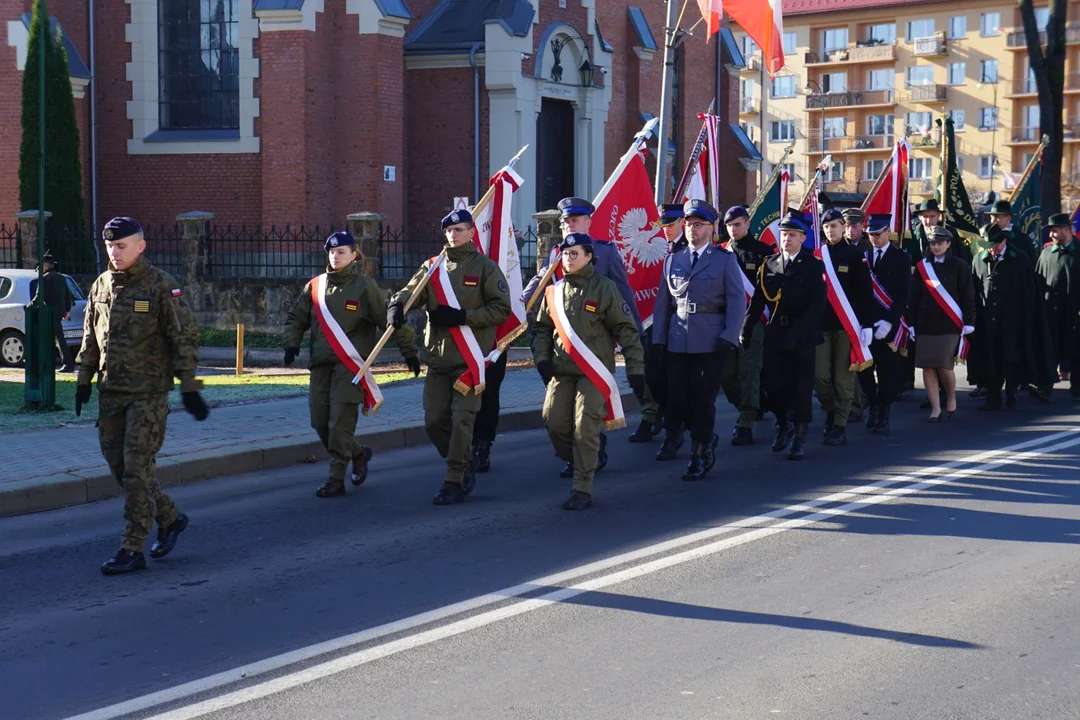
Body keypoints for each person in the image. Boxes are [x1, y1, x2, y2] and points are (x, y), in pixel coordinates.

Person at [74, 217, 209, 575]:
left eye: (122, 246)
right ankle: (170, 518)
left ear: (141, 246)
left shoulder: (161, 286)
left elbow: (183, 338)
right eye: (110, 247)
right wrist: (83, 379)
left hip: (147, 394)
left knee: (136, 470)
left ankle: (131, 548)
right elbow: (91, 337)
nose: (115, 253)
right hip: (111, 392)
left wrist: (190, 385)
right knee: (121, 469)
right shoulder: (101, 285)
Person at [283, 231, 420, 498]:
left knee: (339, 425)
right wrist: (291, 343)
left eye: (342, 252)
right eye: (332, 252)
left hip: (350, 367)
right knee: (319, 422)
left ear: (354, 255)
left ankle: (336, 479)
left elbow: (391, 322)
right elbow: (296, 318)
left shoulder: (365, 287)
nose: (335, 256)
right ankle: (358, 453)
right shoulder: (315, 286)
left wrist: (410, 352)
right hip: (320, 365)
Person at [389, 209, 511, 505]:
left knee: (462, 421)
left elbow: (501, 309)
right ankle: (462, 459)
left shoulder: (485, 268)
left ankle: (454, 479)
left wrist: (462, 316)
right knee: (434, 420)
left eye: (460, 229)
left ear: (472, 232)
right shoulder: (432, 267)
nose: (453, 235)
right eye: (449, 230)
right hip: (438, 361)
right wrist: (397, 305)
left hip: (469, 362)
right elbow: (411, 291)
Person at [523, 197, 643, 474]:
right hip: (560, 342)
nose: (568, 225)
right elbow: (540, 281)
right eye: (565, 221)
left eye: (574, 220)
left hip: (592, 344)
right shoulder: (557, 253)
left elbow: (623, 294)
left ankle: (588, 454)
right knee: (557, 412)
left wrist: (634, 337)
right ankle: (578, 453)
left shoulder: (605, 252)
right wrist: (519, 305)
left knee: (586, 410)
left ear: (588, 222)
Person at [652, 199, 746, 480]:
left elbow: (736, 300)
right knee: (677, 399)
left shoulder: (724, 259)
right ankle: (701, 437)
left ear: (711, 228)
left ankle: (699, 452)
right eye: (689, 224)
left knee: (703, 399)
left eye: (699, 224)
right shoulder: (674, 259)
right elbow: (663, 303)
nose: (692, 229)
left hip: (710, 340)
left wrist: (729, 336)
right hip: (678, 340)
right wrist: (659, 340)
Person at [744, 208, 827, 461]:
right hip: (775, 332)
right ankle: (783, 423)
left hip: (802, 334)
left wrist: (798, 332)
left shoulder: (813, 266)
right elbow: (758, 300)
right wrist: (746, 327)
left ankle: (799, 437)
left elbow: (817, 305)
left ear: (803, 238)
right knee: (773, 385)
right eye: (783, 234)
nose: (787, 239)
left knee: (801, 387)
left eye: (792, 235)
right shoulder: (769, 264)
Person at [968, 223, 1053, 411]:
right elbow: (974, 289)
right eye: (988, 246)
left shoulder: (1019, 259)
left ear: (1004, 240)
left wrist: (1026, 317)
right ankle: (993, 396)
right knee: (990, 357)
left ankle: (1012, 390)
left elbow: (1029, 291)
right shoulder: (979, 260)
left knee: (1011, 356)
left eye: (995, 245)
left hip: (1013, 318)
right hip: (988, 319)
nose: (992, 249)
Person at [815, 208, 875, 446]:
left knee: (842, 379)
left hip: (846, 327)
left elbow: (865, 294)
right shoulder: (817, 256)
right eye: (827, 227)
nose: (831, 230)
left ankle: (839, 424)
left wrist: (867, 324)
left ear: (844, 227)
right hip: (821, 325)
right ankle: (832, 410)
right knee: (819, 377)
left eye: (835, 226)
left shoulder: (854, 256)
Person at [906, 226, 976, 421]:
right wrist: (910, 322)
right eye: (933, 243)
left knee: (944, 365)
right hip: (926, 323)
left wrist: (969, 320)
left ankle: (951, 397)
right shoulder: (922, 266)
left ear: (948, 244)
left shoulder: (959, 265)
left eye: (939, 243)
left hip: (949, 323)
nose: (936, 247)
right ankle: (935, 408)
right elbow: (914, 296)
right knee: (927, 366)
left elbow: (968, 294)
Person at [718, 204, 773, 446]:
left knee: (749, 371)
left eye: (737, 224)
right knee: (726, 375)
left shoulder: (762, 252)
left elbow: (767, 290)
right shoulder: (720, 252)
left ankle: (745, 422)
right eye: (729, 226)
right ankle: (750, 404)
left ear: (747, 224)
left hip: (754, 320)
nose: (732, 230)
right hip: (727, 321)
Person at [630, 203, 685, 443]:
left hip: (682, 323)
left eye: (671, 225)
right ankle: (655, 415)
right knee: (651, 374)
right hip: (657, 320)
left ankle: (671, 423)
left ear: (683, 222)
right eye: (663, 225)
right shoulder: (665, 248)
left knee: (676, 376)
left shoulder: (688, 249)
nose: (665, 229)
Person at [857, 215, 911, 433]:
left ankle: (884, 413)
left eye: (878, 234)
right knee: (865, 371)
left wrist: (889, 321)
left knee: (887, 371)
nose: (874, 238)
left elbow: (904, 294)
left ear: (888, 232)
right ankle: (874, 403)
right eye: (871, 235)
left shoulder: (901, 258)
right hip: (867, 324)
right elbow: (860, 293)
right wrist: (866, 324)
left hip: (889, 323)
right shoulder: (864, 257)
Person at [1034, 213, 1080, 400]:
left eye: (1056, 231)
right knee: (1048, 349)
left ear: (1068, 230)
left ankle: (1077, 389)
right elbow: (1037, 280)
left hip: (1075, 313)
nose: (1052, 235)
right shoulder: (1046, 254)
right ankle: (1044, 388)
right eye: (1051, 231)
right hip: (1050, 311)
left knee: (1077, 351)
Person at [32, 251, 76, 371]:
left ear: (45, 266)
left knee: (54, 339)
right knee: (56, 338)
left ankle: (66, 364)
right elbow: (68, 295)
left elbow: (40, 296)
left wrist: (30, 306)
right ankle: (56, 363)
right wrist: (67, 310)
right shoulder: (61, 277)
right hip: (58, 312)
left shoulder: (45, 279)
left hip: (48, 313)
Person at [988, 199, 1038, 265]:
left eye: (997, 217)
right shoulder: (987, 238)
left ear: (1008, 217)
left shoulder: (1022, 240)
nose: (993, 220)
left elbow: (1031, 265)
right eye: (991, 217)